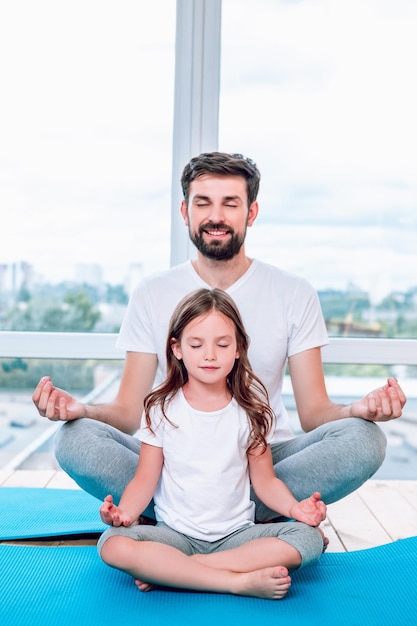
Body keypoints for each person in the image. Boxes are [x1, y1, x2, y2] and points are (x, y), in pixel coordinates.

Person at [32, 151, 406, 523]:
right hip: (175, 463)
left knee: (365, 440)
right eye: (203, 203)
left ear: (251, 212)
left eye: (230, 203)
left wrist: (356, 411)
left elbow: (314, 414)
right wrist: (82, 411)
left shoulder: (293, 291)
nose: (216, 216)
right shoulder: (151, 292)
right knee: (72, 439)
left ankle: (200, 520)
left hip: (265, 460)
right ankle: (244, 521)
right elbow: (129, 413)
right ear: (185, 212)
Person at [97, 288, 326, 600]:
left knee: (309, 538)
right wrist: (123, 514)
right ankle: (234, 582)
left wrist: (295, 508)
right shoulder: (161, 407)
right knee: (111, 543)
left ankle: (179, 571)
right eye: (196, 344)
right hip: (173, 536)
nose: (209, 355)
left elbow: (266, 481)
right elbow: (144, 479)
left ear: (238, 348)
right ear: (177, 348)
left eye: (222, 344)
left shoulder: (252, 409)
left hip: (237, 537)